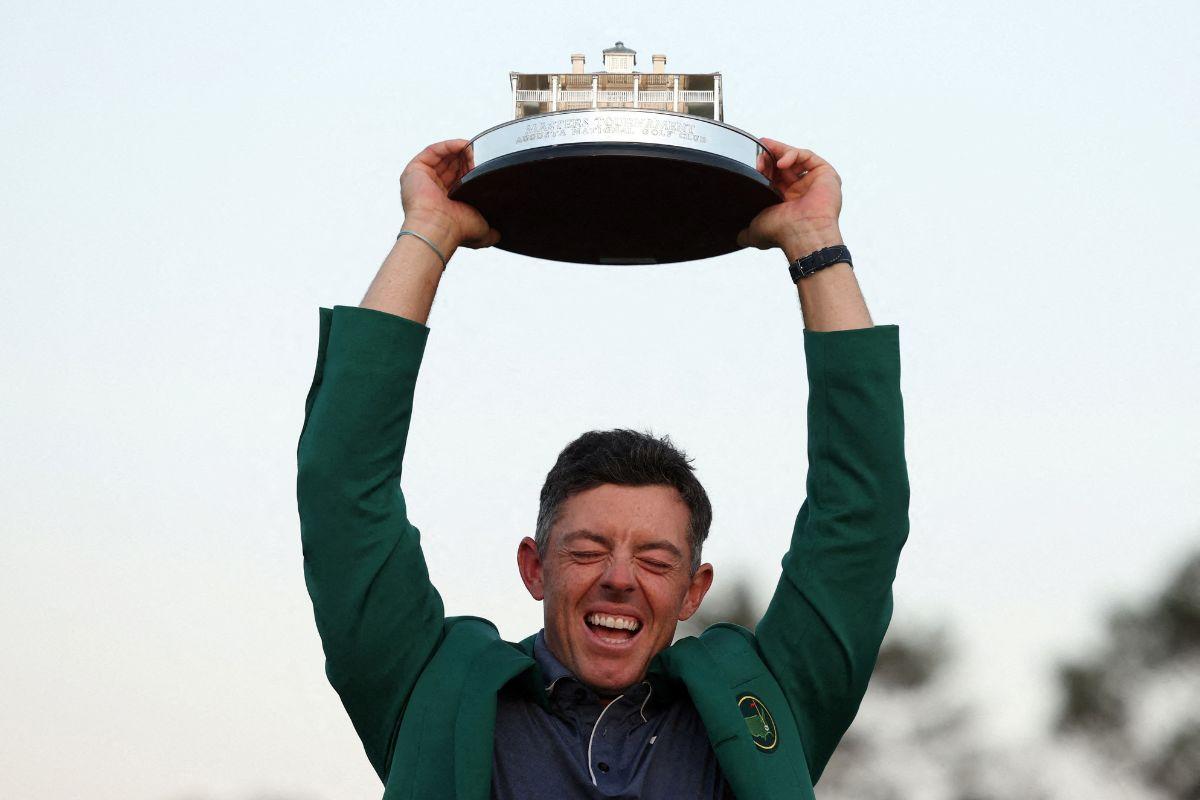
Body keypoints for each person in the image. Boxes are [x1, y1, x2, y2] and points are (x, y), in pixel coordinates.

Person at [296, 137, 909, 799]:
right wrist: (429, 230)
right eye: (588, 550)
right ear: (536, 566)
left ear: (694, 591)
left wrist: (814, 238)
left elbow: (860, 521)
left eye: (655, 560)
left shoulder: (762, 698)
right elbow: (343, 489)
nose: (619, 579)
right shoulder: (433, 688)